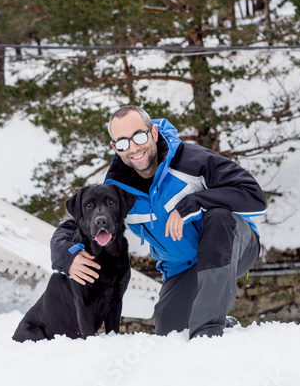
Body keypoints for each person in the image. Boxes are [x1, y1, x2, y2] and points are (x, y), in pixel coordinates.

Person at [51, 105, 266, 338]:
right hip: (182, 267)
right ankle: (222, 322)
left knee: (218, 217)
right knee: (170, 333)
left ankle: (209, 333)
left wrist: (193, 203)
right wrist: (65, 255)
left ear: (153, 132)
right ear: (115, 147)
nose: (133, 148)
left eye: (139, 136)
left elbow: (253, 194)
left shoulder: (193, 161)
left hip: (234, 244)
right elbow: (81, 223)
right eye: (123, 142)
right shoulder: (116, 190)